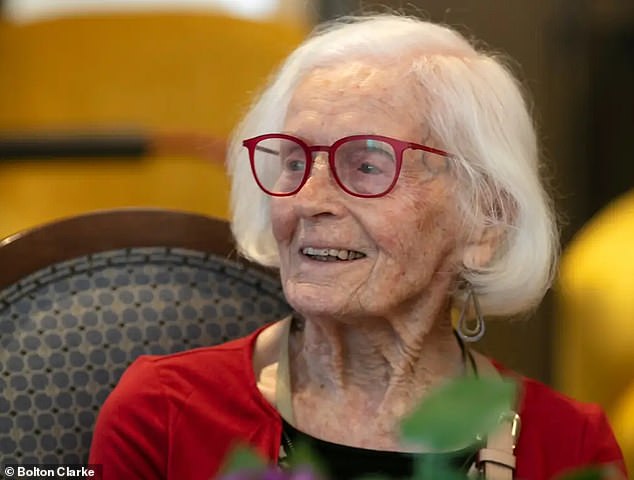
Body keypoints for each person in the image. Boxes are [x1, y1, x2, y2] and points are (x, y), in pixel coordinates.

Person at [89, 15, 627, 479]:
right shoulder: (164, 413)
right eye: (295, 162)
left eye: (367, 165)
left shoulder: (568, 446)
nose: (307, 199)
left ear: (484, 224)